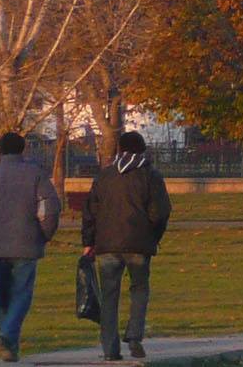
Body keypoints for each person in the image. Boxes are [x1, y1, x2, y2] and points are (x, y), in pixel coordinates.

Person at [81, 131, 170, 363]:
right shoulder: (151, 175)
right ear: (142, 149)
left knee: (109, 296)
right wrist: (153, 236)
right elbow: (160, 212)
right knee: (140, 288)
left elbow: (90, 211)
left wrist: (88, 242)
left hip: (107, 244)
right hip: (139, 244)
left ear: (120, 149)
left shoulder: (105, 176)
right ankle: (134, 334)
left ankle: (110, 348)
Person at [0, 132, 61, 363]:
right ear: (23, 149)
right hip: (26, 244)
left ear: (0, 150)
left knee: (3, 295)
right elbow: (50, 210)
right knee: (21, 293)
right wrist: (44, 235)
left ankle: (9, 344)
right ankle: (8, 334)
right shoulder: (35, 175)